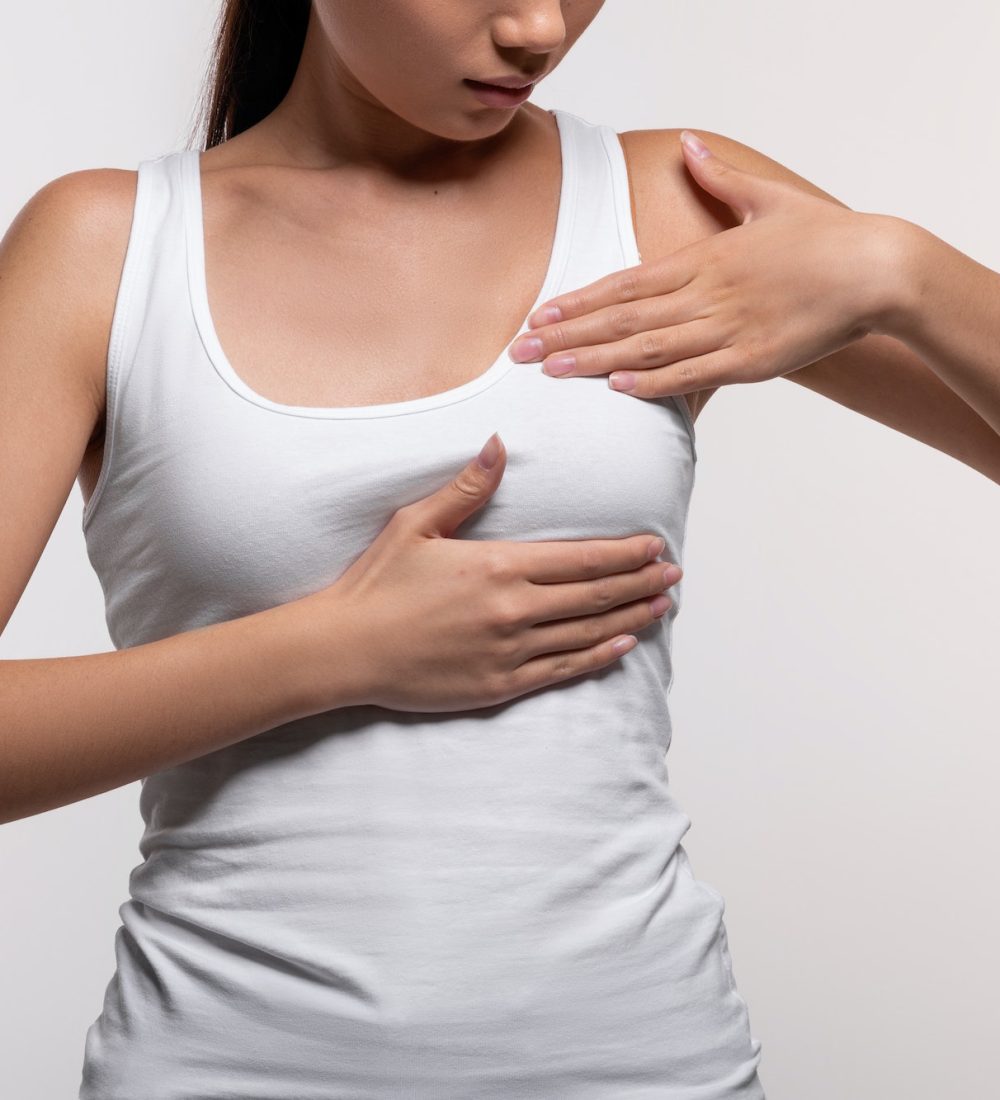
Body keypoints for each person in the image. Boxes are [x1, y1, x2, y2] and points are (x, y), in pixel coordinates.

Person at [1, 2, 996, 1098]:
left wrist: (905, 268)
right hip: (218, 1064)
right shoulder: (111, 245)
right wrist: (334, 651)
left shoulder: (670, 205)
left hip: (646, 1063)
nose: (537, 28)